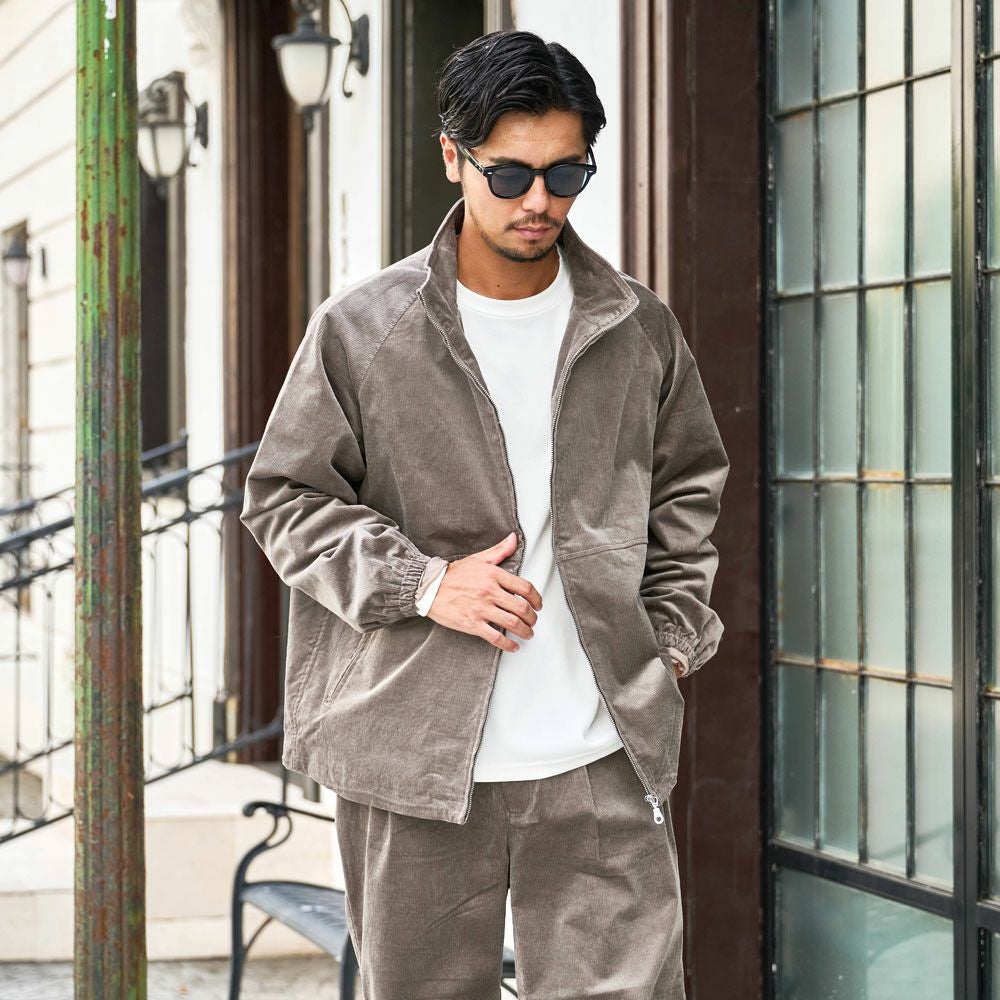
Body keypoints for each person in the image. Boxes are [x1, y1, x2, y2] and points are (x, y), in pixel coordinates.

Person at [240, 28, 729, 1000]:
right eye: (509, 174)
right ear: (452, 158)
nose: (539, 201)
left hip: (600, 751)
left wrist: (670, 634)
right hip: (412, 756)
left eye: (565, 173)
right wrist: (423, 583)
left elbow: (687, 485)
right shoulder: (364, 330)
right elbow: (284, 496)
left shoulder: (637, 328)